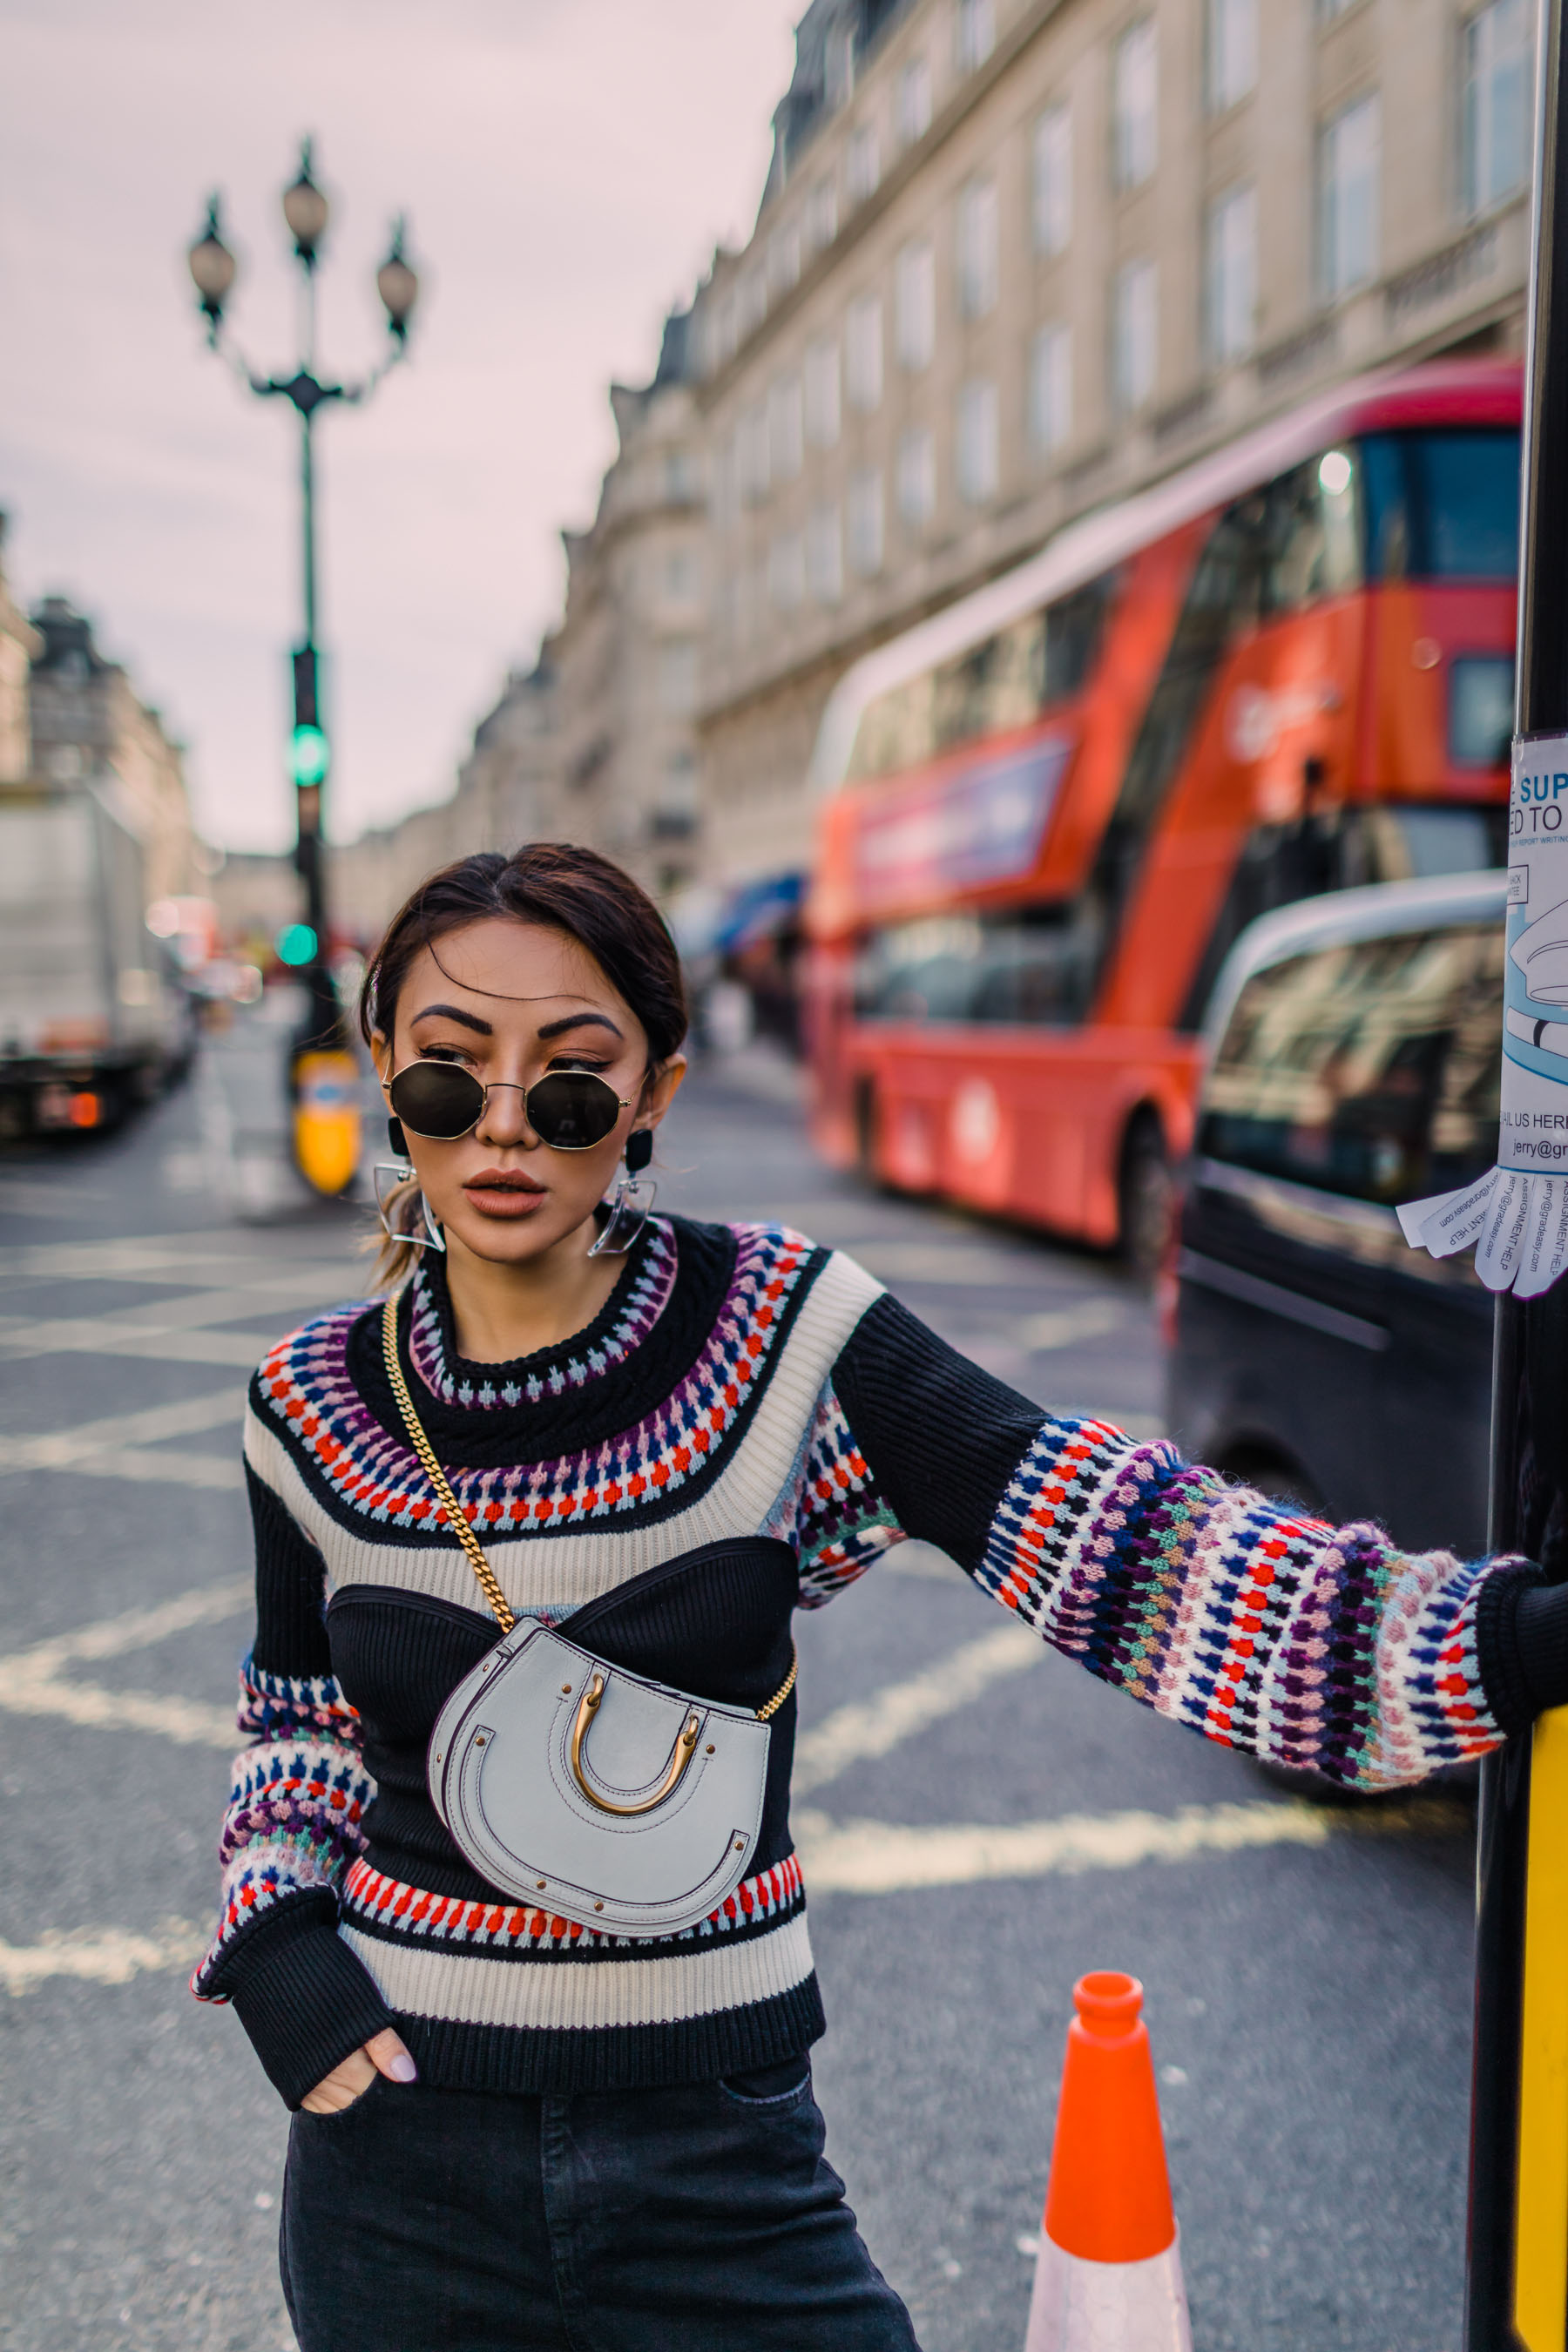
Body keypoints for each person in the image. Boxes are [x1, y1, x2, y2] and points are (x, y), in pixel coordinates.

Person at [193, 842, 1568, 2352]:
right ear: (383, 1067)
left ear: (655, 1088)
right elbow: (296, 1724)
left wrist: (1482, 1640)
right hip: (397, 2159)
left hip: (715, 2156)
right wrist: (278, 1955)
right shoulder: (306, 1400)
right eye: (452, 1075)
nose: (507, 1127)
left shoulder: (785, 1328)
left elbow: (1114, 1538)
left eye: (574, 1078)